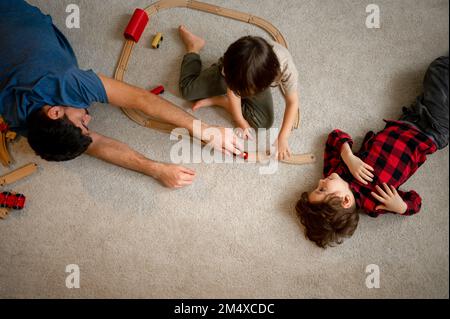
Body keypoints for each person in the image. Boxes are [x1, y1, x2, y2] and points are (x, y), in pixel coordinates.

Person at [0, 1, 243, 188]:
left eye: (81, 123)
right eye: (86, 125)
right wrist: (156, 169)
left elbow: (143, 100)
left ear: (54, 111)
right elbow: (98, 145)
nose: (89, 119)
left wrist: (204, 129)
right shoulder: (23, 123)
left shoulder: (65, 83)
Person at [295, 56, 449, 248]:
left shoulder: (335, 171)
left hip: (407, 118)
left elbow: (335, 136)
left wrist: (349, 157)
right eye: (322, 189)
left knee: (436, 85)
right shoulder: (373, 203)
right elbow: (415, 202)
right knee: (439, 69)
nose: (320, 181)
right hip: (431, 132)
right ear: (345, 200)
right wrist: (400, 206)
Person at [177, 25, 300, 160]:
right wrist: (240, 120)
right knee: (187, 91)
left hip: (256, 78)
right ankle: (193, 47)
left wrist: (283, 137)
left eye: (245, 92)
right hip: (232, 74)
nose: (242, 95)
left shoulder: (286, 67)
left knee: (263, 123)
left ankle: (222, 101)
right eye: (240, 92)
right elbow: (233, 91)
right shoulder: (233, 67)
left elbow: (292, 102)